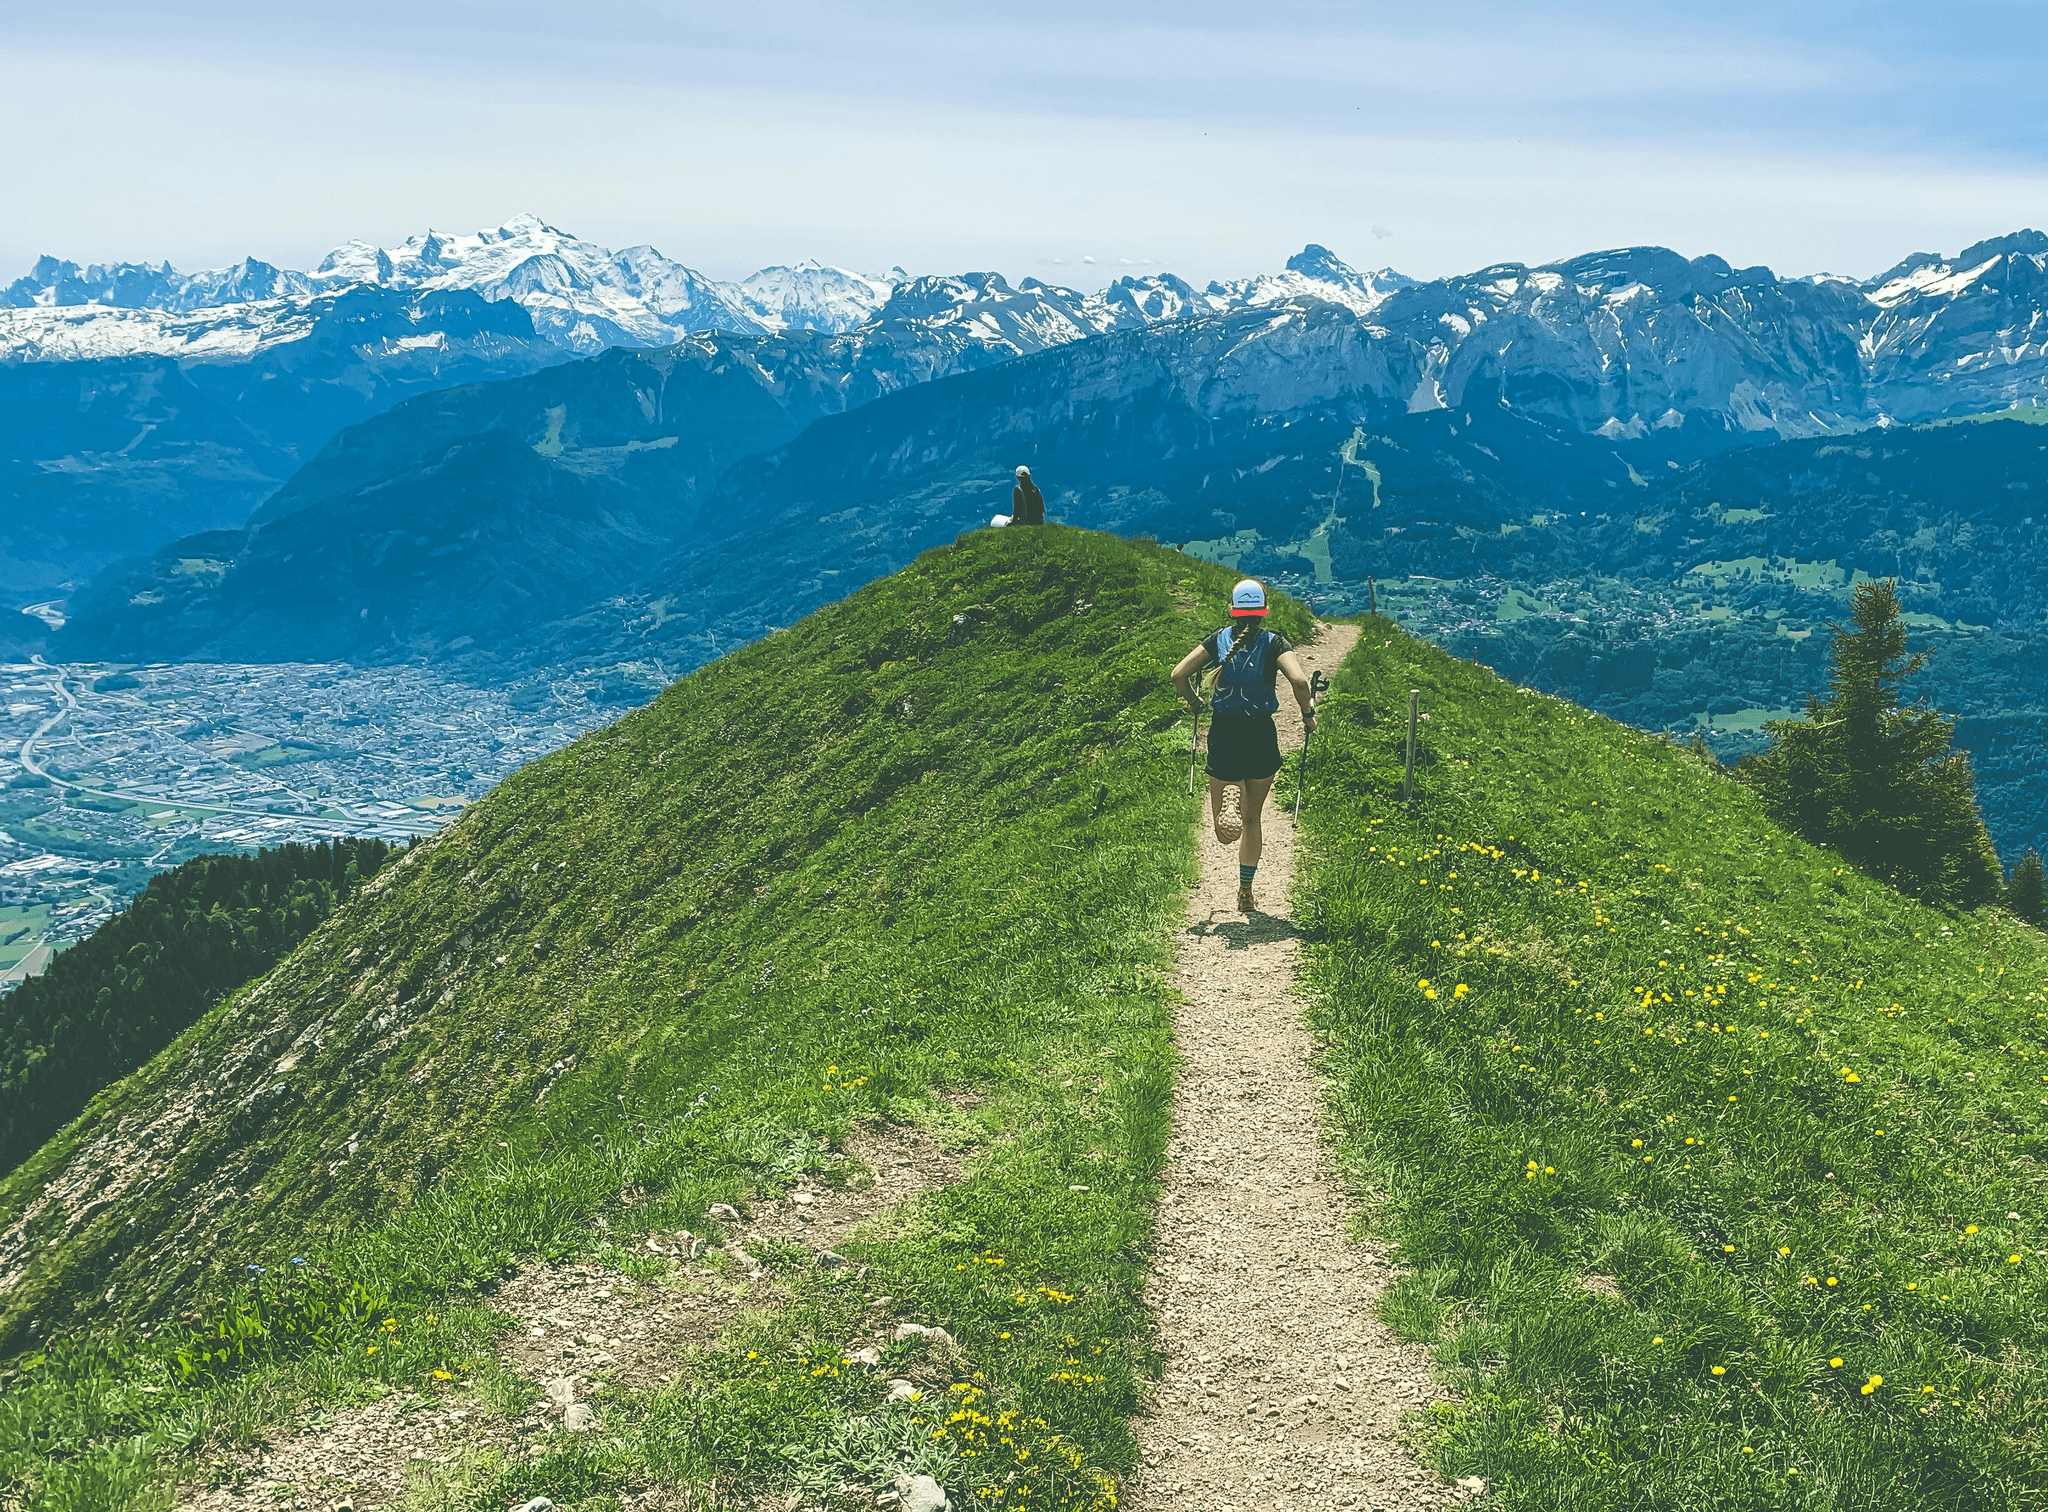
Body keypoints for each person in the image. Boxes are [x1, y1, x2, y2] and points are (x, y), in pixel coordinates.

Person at [1171, 578, 1316, 911]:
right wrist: (1308, 715)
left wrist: (1194, 701)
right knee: (1252, 822)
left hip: (1223, 734)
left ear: (1233, 611)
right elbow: (1299, 681)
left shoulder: (1217, 640)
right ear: (1264, 611)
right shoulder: (1275, 643)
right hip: (1260, 735)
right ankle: (1246, 892)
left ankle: (1231, 792)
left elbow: (1178, 673)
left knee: (1225, 834)